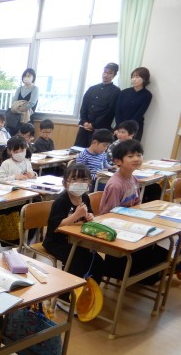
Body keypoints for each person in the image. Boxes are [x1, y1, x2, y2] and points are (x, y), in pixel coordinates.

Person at [99, 139, 168, 285]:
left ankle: (147, 273)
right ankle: (134, 274)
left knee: (161, 239)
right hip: (116, 227)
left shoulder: (133, 179)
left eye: (139, 155)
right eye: (130, 156)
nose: (136, 159)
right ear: (118, 161)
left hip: (129, 221)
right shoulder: (116, 184)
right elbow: (109, 215)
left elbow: (137, 204)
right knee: (150, 244)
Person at [43, 163, 104, 287]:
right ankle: (65, 293)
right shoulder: (61, 201)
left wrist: (89, 216)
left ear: (89, 183)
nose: (79, 183)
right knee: (76, 260)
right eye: (74, 179)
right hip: (57, 242)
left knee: (97, 261)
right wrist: (75, 215)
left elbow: (88, 214)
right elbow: (56, 227)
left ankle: (90, 290)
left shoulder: (85, 197)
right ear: (65, 183)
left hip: (76, 240)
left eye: (84, 179)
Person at [73, 63, 120, 148]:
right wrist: (84, 121)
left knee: (95, 152)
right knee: (77, 151)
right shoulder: (92, 88)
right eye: (104, 72)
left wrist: (93, 125)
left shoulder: (116, 91)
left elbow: (110, 111)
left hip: (100, 129)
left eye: (109, 73)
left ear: (114, 75)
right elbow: (84, 106)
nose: (105, 75)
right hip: (84, 127)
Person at [114, 67, 152, 141]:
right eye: (133, 77)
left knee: (130, 147)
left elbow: (139, 113)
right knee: (116, 146)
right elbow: (117, 110)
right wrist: (120, 127)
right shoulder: (124, 92)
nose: (134, 79)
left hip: (134, 128)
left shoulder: (147, 95)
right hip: (119, 126)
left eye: (137, 77)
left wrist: (127, 128)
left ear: (144, 79)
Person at [8, 68, 39, 135]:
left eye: (29, 76)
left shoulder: (35, 89)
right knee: (14, 136)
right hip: (16, 118)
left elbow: (31, 103)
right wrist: (19, 108)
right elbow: (14, 102)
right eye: (25, 76)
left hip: (28, 118)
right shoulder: (19, 88)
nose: (26, 77)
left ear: (33, 77)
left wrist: (21, 107)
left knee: (25, 136)